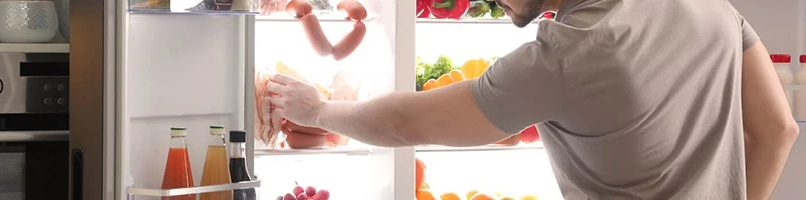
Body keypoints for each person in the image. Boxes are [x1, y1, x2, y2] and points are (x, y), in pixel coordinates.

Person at [266, 0, 800, 199]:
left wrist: (319, 111)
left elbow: (410, 122)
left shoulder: (568, 54)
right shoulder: (715, 10)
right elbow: (780, 130)